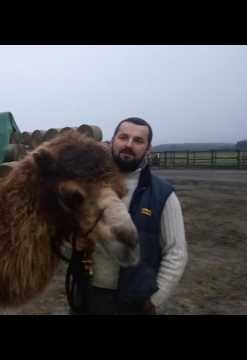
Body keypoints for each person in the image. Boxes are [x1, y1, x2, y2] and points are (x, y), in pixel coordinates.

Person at [71, 117, 188, 315]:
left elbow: (176, 252)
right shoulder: (86, 185)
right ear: (112, 141)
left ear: (148, 148)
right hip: (85, 295)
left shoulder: (163, 194)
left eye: (138, 141)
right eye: (123, 137)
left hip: (132, 304)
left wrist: (154, 301)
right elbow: (67, 233)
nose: (128, 145)